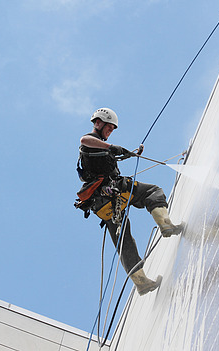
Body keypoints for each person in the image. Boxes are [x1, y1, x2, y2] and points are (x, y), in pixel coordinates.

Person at [75, 107, 183, 296]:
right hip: (113, 192)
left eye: (112, 129)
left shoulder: (100, 148)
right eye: (109, 127)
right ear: (98, 123)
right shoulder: (90, 142)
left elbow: (104, 157)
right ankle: (165, 225)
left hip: (103, 203)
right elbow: (84, 140)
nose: (110, 132)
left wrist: (127, 153)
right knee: (152, 191)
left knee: (123, 241)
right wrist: (111, 147)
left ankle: (141, 283)